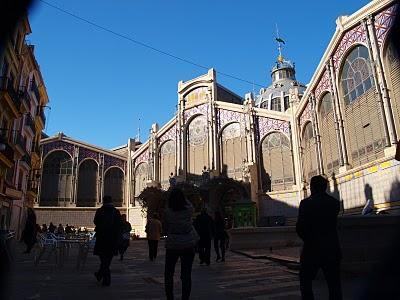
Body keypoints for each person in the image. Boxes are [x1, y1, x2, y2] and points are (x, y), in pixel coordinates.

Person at [296, 175, 342, 300]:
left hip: (312, 249)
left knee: (305, 281)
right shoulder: (334, 203)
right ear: (325, 187)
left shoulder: (306, 203)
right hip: (332, 249)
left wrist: (309, 240)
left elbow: (300, 228)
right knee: (334, 284)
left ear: (312, 187)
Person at [164, 188, 198, 300]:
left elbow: (166, 224)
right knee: (186, 275)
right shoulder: (189, 210)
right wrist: (184, 198)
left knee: (169, 274)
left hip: (173, 244)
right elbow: (190, 204)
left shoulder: (168, 212)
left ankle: (170, 297)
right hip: (188, 243)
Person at [93, 196, 123, 286]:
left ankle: (105, 278)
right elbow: (119, 225)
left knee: (103, 259)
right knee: (108, 260)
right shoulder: (116, 212)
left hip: (102, 239)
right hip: (112, 240)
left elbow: (95, 222)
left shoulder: (99, 211)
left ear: (103, 201)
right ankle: (100, 275)